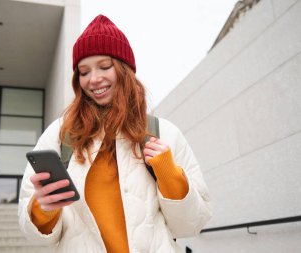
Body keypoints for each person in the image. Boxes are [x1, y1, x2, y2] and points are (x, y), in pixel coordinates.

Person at [18, 14, 212, 253]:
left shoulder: (163, 133)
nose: (94, 79)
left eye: (105, 66)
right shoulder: (60, 134)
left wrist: (169, 174)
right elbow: (35, 235)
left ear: (125, 70)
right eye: (84, 71)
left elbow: (193, 225)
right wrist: (42, 209)